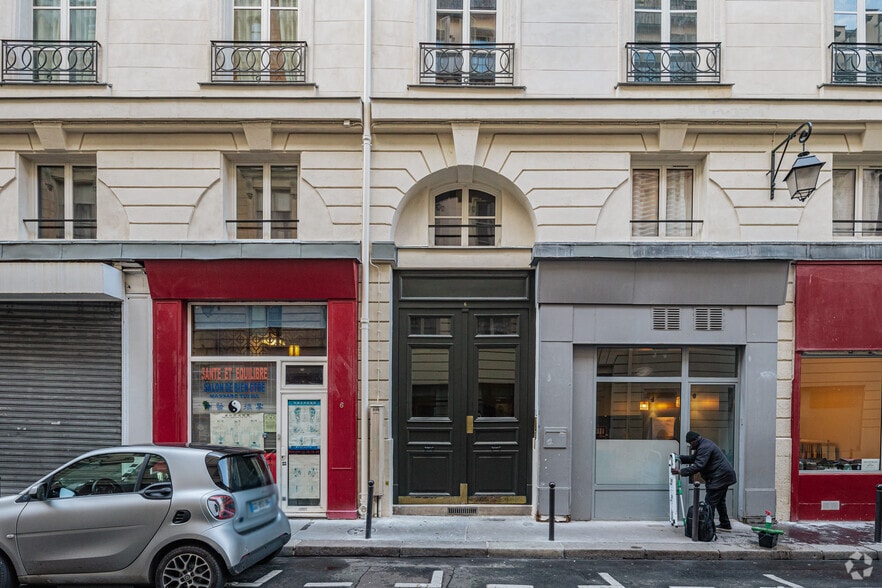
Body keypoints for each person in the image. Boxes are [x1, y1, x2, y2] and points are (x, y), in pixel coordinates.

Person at [671, 430, 737, 531]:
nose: (690, 445)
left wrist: (680, 471)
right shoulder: (703, 444)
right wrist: (680, 458)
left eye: (690, 443)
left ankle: (707, 528)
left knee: (709, 503)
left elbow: (698, 465)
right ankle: (725, 523)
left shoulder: (704, 447)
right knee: (720, 502)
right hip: (724, 476)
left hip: (720, 477)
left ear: (694, 441)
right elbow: (693, 458)